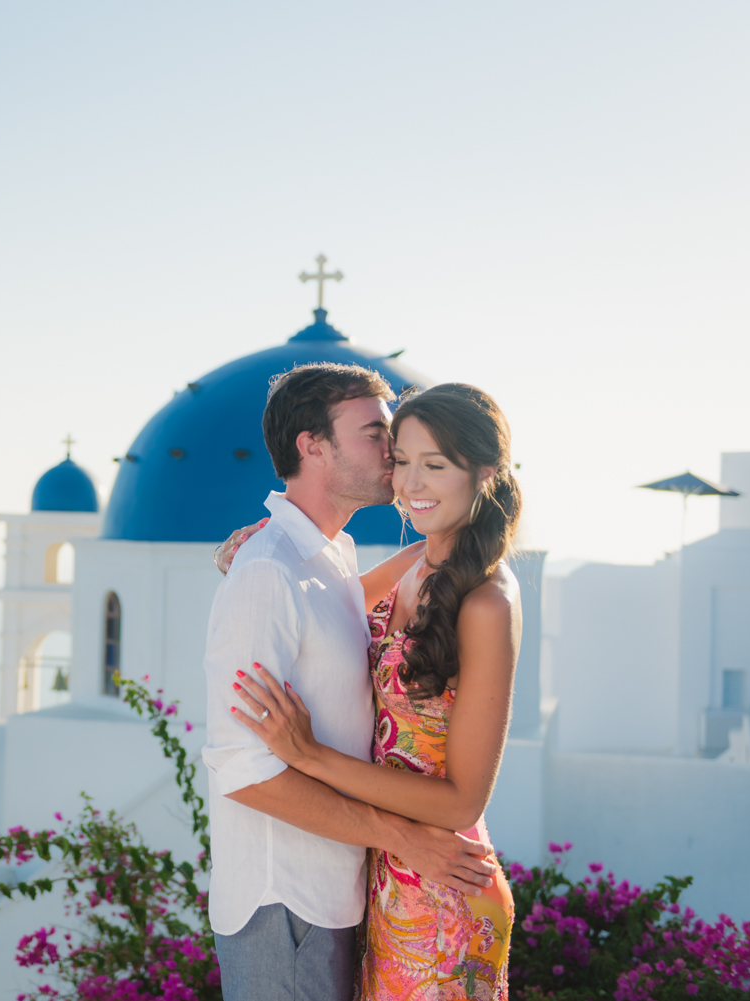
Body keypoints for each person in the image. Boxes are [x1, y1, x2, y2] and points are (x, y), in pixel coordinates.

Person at [201, 364, 501, 1001]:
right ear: (312, 446)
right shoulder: (268, 570)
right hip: (286, 899)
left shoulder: (331, 560)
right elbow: (242, 769)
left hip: (357, 886)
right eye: (376, 435)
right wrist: (400, 837)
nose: (393, 456)